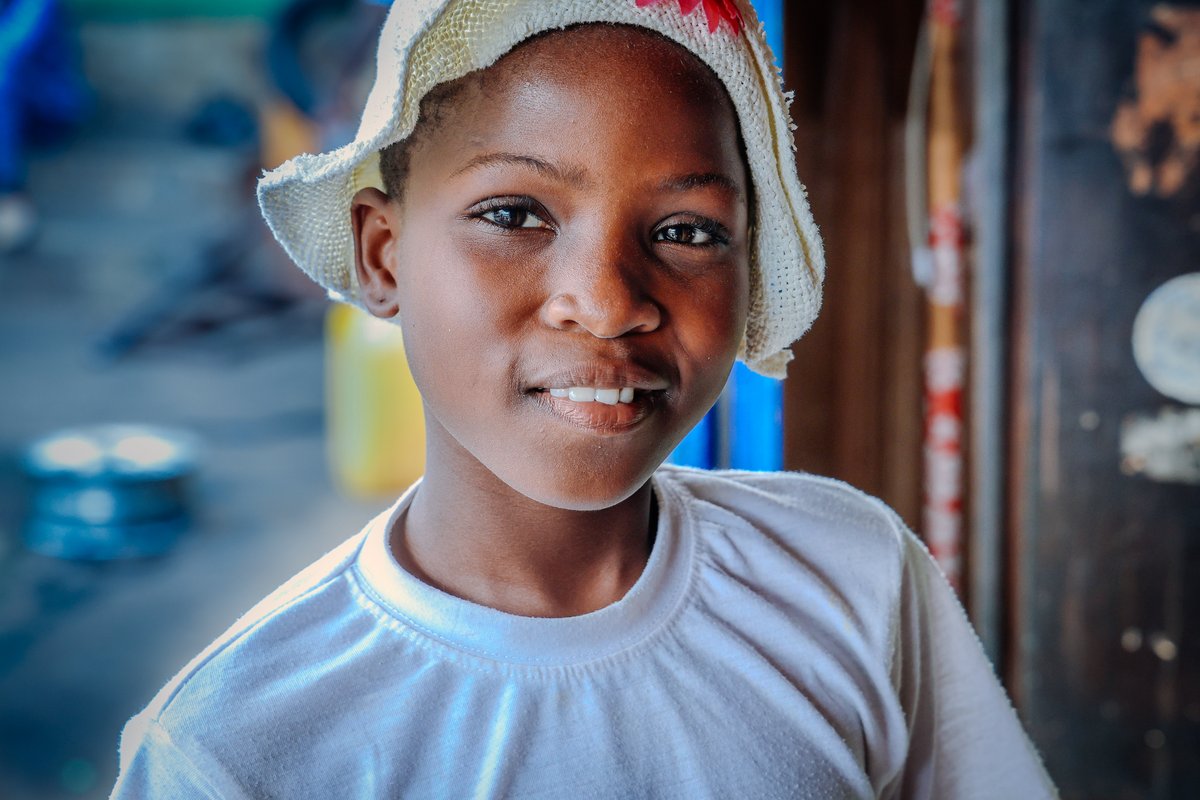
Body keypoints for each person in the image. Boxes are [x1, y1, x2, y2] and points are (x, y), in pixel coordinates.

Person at [110, 1, 1058, 797]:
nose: (607, 302)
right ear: (383, 254)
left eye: (687, 230)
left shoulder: (854, 579)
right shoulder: (232, 751)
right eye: (514, 216)